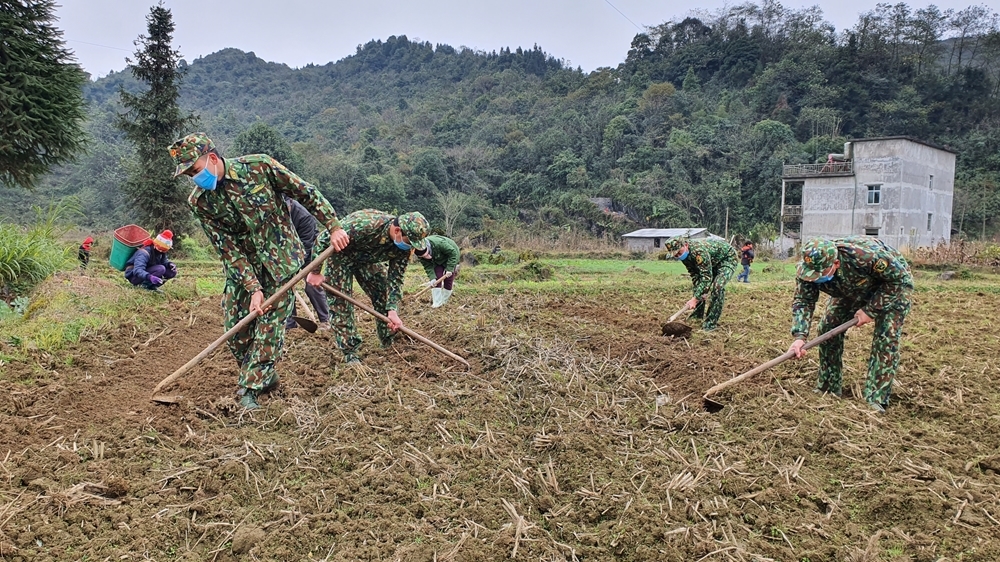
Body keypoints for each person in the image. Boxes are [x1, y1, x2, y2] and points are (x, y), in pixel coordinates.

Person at [168, 132, 349, 410]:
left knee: (270, 327)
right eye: (189, 175)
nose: (194, 178)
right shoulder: (200, 202)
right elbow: (226, 246)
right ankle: (264, 376)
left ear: (212, 158)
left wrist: (334, 227)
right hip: (244, 269)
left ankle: (249, 390)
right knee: (236, 329)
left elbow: (306, 192)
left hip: (281, 261)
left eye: (195, 170)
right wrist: (253, 287)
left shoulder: (259, 167)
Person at [787, 237, 913, 413]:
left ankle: (876, 398)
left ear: (836, 263)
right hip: (850, 287)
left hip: (891, 286)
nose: (814, 278)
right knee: (828, 327)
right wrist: (800, 336)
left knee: (886, 337)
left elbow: (899, 280)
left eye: (819, 273)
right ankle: (829, 387)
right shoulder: (808, 270)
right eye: (811, 274)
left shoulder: (864, 257)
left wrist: (870, 310)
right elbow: (803, 301)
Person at [311, 209, 429, 364]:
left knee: (383, 294)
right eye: (409, 242)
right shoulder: (364, 225)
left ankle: (388, 340)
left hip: (367, 261)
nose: (410, 247)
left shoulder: (403, 248)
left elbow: (396, 279)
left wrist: (393, 310)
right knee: (341, 302)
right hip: (340, 257)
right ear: (397, 231)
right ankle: (350, 351)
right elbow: (322, 239)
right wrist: (315, 271)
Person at [663, 236, 738, 331]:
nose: (678, 256)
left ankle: (710, 323)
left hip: (727, 258)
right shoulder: (685, 256)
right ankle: (697, 316)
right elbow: (694, 274)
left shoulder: (699, 252)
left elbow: (706, 277)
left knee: (718, 287)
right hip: (711, 262)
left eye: (679, 252)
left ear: (685, 245)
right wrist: (700, 293)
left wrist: (695, 299)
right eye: (675, 255)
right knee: (699, 286)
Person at [283, 196, 331, 330]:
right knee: (284, 287)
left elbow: (307, 245)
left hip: (309, 251)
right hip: (285, 253)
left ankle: (325, 319)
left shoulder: (304, 217)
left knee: (312, 285)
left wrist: (294, 266)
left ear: (290, 203)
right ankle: (290, 323)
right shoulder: (276, 214)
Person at [413, 234, 460, 308]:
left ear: (428, 248)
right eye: (423, 257)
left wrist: (450, 269)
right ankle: (437, 303)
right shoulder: (420, 253)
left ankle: (444, 301)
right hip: (436, 259)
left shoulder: (439, 244)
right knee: (436, 278)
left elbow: (453, 253)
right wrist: (432, 278)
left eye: (427, 254)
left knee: (448, 280)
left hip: (451, 256)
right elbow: (428, 266)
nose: (426, 257)